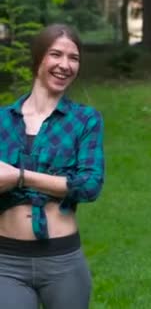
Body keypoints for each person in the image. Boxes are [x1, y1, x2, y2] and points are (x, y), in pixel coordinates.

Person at [0, 23, 104, 308]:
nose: (65, 65)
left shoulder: (85, 120)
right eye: (56, 55)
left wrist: (19, 177)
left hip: (63, 261)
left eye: (74, 58)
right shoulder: (2, 120)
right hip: (6, 262)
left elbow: (89, 185)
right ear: (38, 59)